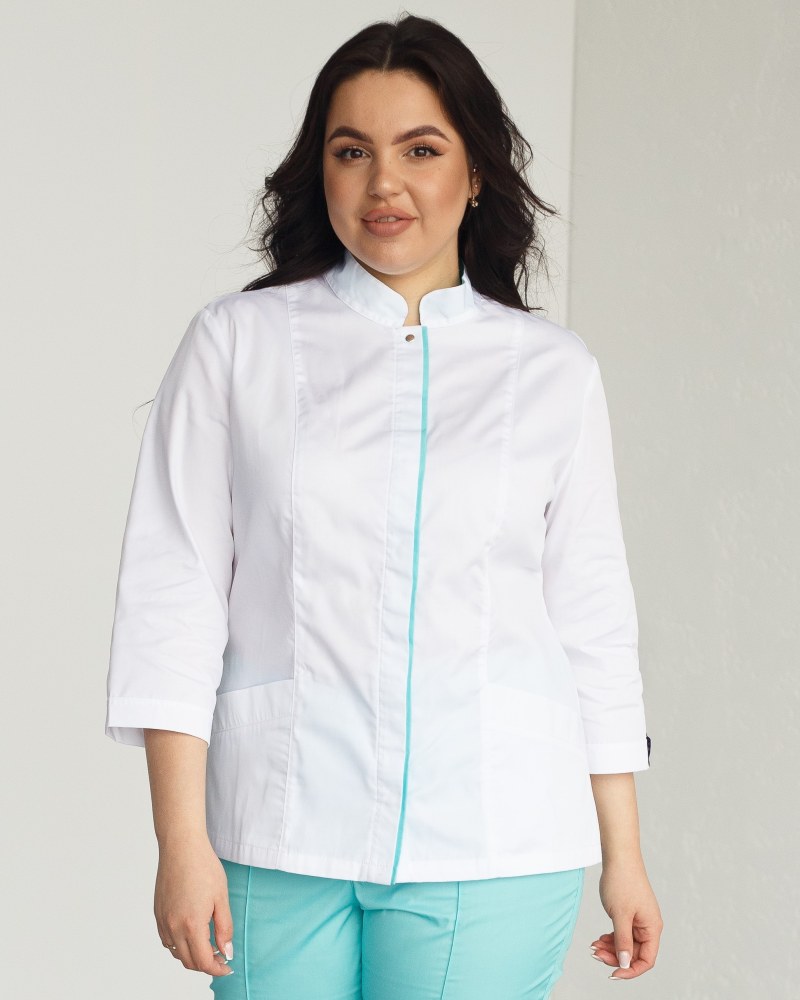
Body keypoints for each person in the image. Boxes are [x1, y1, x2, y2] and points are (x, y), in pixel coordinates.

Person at [105, 12, 663, 998]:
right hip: (278, 827)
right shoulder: (237, 345)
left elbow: (589, 615)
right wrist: (180, 840)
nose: (383, 185)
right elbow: (174, 595)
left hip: (493, 833)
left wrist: (624, 852)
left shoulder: (552, 372)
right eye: (351, 151)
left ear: (476, 171)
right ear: (318, 171)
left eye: (420, 149)